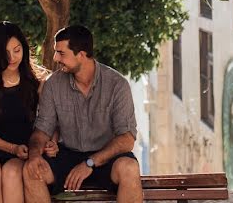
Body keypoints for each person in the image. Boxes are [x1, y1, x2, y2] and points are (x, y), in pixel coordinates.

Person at [23, 25, 143, 203]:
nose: (55, 58)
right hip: (67, 155)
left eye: (61, 53)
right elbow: (42, 130)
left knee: (130, 168)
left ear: (81, 54)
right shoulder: (53, 85)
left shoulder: (117, 85)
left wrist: (90, 163)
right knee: (31, 171)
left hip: (105, 156)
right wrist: (34, 156)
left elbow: (127, 139)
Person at [0, 21, 54, 203]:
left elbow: (49, 121)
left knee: (12, 173)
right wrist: (11, 148)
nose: (12, 57)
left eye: (17, 50)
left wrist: (51, 141)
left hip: (23, 150)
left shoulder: (38, 83)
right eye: (5, 53)